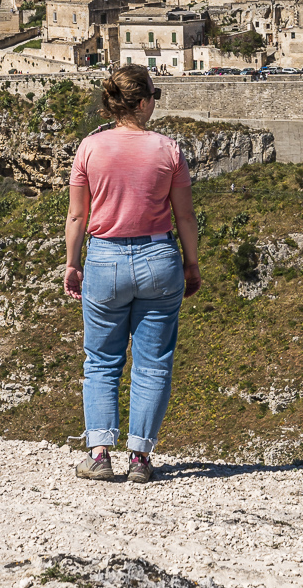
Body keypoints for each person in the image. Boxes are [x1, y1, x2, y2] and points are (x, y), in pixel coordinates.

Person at [64, 64, 201, 483]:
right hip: (159, 258)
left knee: (102, 360)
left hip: (104, 260)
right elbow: (185, 217)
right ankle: (140, 458)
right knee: (153, 363)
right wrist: (191, 263)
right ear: (143, 103)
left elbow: (76, 215)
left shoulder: (89, 148)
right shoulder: (168, 150)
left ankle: (100, 453)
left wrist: (72, 264)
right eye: (154, 96)